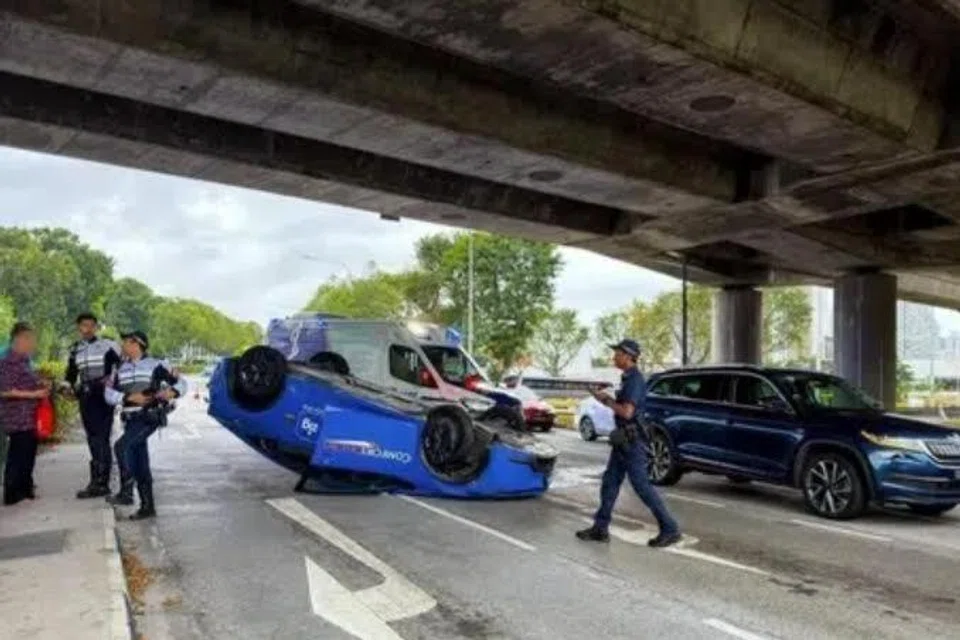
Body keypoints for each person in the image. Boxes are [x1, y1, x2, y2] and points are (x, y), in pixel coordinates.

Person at [576, 339, 682, 548]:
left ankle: (670, 528)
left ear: (628, 355)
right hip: (623, 440)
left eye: (617, 353)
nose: (614, 357)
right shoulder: (627, 378)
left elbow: (627, 412)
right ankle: (600, 528)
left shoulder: (634, 380)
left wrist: (604, 400)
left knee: (642, 486)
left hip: (632, 442)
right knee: (610, 483)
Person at [104, 331, 186, 520]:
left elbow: (182, 383)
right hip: (129, 419)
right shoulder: (119, 369)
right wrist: (127, 397)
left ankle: (126, 492)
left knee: (122, 447)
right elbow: (108, 394)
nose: (122, 345)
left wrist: (172, 392)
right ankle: (147, 507)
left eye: (125, 342)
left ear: (136, 344)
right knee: (140, 460)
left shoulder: (157, 365)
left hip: (149, 417)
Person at [65, 312, 122, 499]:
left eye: (91, 325)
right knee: (92, 437)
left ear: (96, 327)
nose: (87, 329)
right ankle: (98, 480)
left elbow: (122, 367)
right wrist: (68, 388)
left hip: (103, 396)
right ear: (78, 328)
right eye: (83, 326)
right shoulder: (75, 350)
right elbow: (71, 375)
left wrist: (114, 386)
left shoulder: (108, 346)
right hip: (86, 396)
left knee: (102, 437)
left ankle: (100, 482)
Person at [0, 322, 49, 506]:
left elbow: (28, 382)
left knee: (28, 453)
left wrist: (41, 385)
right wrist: (33, 394)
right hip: (16, 417)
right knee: (17, 455)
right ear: (19, 339)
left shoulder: (24, 361)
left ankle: (25, 489)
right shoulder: (7, 362)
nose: (32, 344)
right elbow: (4, 391)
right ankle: (13, 493)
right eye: (29, 340)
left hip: (29, 416)